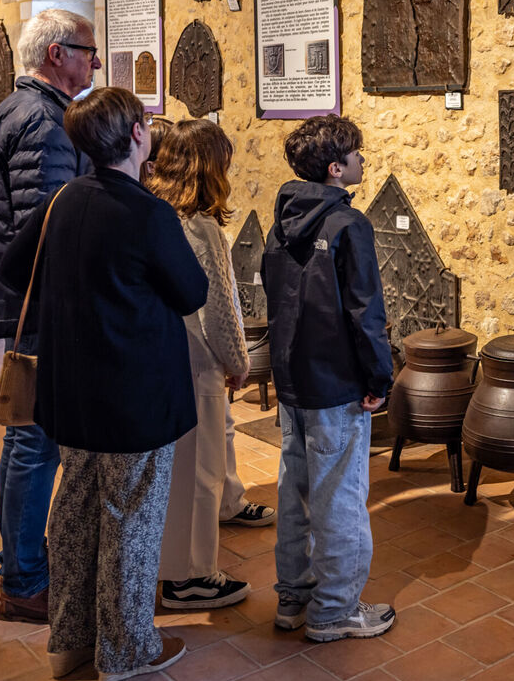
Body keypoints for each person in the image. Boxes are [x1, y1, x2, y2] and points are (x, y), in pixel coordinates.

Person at [0, 8, 100, 624]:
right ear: (56, 54)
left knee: (27, 437)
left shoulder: (23, 110)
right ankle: (22, 580)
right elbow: (46, 229)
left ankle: (22, 566)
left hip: (34, 302)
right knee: (34, 442)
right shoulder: (44, 122)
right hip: (45, 306)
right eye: (87, 52)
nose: (94, 63)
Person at [262, 114, 395, 643]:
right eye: (357, 153)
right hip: (336, 383)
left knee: (295, 491)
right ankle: (335, 610)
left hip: (292, 380)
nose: (363, 160)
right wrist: (379, 378)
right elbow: (365, 313)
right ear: (336, 168)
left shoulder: (280, 224)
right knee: (339, 495)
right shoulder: (348, 225)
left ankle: (294, 596)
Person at [149, 120, 276, 610]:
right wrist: (238, 361)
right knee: (199, 469)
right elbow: (219, 309)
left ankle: (218, 517)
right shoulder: (201, 229)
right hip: (196, 358)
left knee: (194, 457)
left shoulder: (156, 214)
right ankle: (191, 576)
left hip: (162, 355)